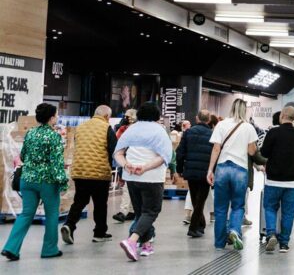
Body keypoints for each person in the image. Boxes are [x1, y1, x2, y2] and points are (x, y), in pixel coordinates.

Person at [2, 104, 67, 261]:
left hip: (27, 180)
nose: (57, 117)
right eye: (56, 115)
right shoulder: (54, 136)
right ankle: (49, 249)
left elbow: (23, 156)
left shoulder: (30, 133)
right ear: (51, 118)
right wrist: (63, 183)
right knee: (52, 214)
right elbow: (56, 163)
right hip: (47, 182)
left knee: (26, 214)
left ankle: (11, 247)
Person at [113, 102, 173, 261]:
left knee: (140, 212)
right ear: (157, 115)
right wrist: (145, 167)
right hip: (151, 178)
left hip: (131, 177)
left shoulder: (131, 129)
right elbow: (165, 156)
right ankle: (132, 241)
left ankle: (146, 245)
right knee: (151, 211)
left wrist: (126, 165)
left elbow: (118, 153)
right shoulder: (159, 131)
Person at [206, 99, 258, 251]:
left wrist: (210, 170)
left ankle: (219, 243)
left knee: (220, 208)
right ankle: (235, 230)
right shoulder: (248, 127)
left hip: (222, 168)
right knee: (238, 205)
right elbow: (251, 151)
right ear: (244, 110)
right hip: (240, 170)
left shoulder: (221, 125)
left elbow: (216, 149)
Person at [61, 105, 117, 245]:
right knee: (100, 204)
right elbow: (114, 150)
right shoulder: (106, 129)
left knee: (80, 201)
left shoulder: (80, 128)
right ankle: (99, 233)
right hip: (99, 173)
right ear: (106, 116)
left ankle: (69, 224)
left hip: (80, 171)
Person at [261, 106, 294, 253]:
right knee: (288, 212)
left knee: (270, 207)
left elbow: (264, 153)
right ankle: (284, 243)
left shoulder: (273, 132)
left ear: (282, 116)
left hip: (273, 180)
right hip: (292, 181)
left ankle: (270, 234)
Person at [175, 110, 214, 238]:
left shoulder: (188, 132)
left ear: (197, 119)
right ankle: (193, 228)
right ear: (208, 120)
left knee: (195, 199)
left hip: (191, 170)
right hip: (205, 172)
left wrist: (179, 169)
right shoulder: (212, 134)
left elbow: (180, 152)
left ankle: (200, 225)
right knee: (200, 200)